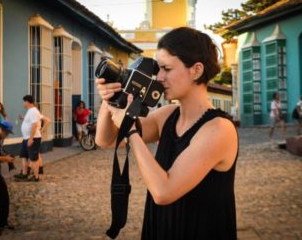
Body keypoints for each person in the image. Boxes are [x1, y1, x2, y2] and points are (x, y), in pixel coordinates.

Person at [96, 27, 238, 239]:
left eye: (167, 69)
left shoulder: (219, 128)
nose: (159, 77)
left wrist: (132, 130)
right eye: (158, 68)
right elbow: (106, 140)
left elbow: (164, 192)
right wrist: (110, 100)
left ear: (196, 70)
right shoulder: (168, 115)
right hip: (162, 228)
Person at [14, 95, 42, 182]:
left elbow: (34, 125)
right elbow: (29, 122)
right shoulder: (29, 111)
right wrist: (23, 118)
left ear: (27, 102)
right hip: (26, 138)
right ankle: (24, 173)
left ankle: (36, 176)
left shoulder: (33, 111)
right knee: (24, 155)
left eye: (23, 101)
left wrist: (31, 138)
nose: (23, 103)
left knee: (34, 158)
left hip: (33, 138)